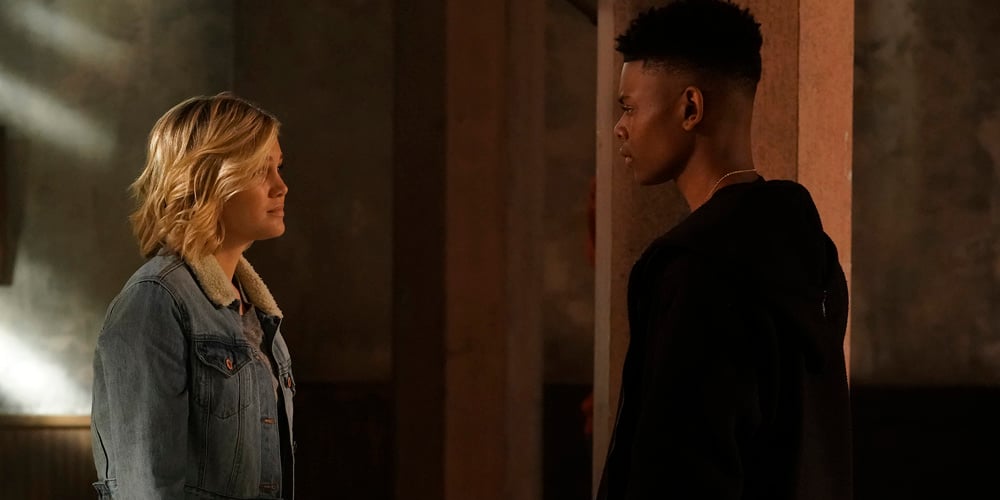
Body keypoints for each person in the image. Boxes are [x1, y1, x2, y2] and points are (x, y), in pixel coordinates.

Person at [597, 1, 852, 499]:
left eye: (629, 107)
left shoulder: (698, 270)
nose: (619, 128)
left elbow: (681, 467)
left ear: (690, 108)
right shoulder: (812, 254)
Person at [90, 93, 297, 499]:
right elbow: (147, 487)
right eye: (261, 170)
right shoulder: (156, 301)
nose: (281, 186)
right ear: (208, 178)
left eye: (279, 167)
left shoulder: (256, 311)